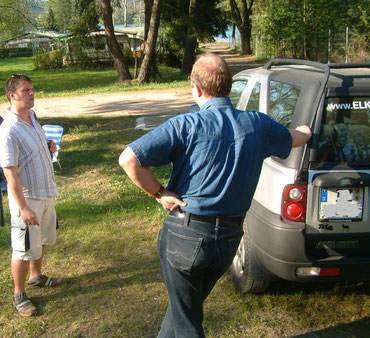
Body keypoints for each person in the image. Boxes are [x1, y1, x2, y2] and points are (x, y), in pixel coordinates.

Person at [119, 53, 312, 337]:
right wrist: (308, 130)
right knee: (183, 308)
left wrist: (159, 193)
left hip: (186, 236)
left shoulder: (184, 125)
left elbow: (129, 159)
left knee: (187, 321)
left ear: (196, 88)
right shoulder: (258, 125)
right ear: (228, 87)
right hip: (228, 242)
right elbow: (295, 137)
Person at [0, 74, 62, 317]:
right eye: (26, 90)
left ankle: (36, 277)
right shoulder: (7, 132)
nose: (32, 93)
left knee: (41, 238)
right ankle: (19, 294)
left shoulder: (32, 117)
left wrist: (48, 145)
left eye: (32, 89)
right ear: (12, 95)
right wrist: (23, 208)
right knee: (22, 249)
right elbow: (11, 175)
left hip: (45, 193)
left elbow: (34, 148)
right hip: (27, 198)